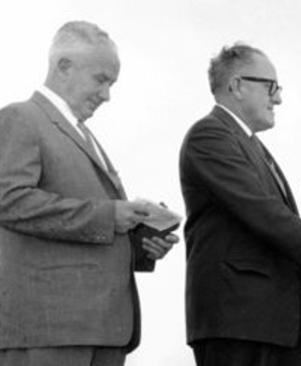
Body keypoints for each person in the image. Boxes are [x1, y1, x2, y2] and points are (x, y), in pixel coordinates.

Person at [179, 43, 301, 366]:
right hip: (238, 327)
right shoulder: (209, 136)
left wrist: (298, 335)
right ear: (237, 86)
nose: (278, 98)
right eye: (271, 87)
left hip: (274, 330)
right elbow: (264, 213)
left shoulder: (253, 147)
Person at [0, 21, 178, 366]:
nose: (107, 95)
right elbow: (9, 200)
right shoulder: (21, 117)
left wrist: (142, 244)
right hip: (49, 332)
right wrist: (108, 215)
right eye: (101, 79)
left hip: (104, 330)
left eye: (111, 83)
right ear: (63, 66)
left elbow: (96, 225)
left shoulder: (85, 136)